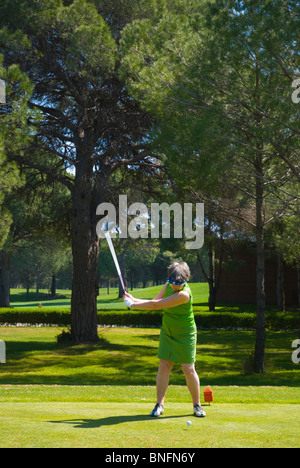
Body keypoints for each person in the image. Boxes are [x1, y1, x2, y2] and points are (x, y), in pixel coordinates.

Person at [123, 261, 206, 418]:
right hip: (168, 331)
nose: (175, 286)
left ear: (186, 280)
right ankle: (159, 404)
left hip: (185, 333)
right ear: (169, 279)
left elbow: (157, 305)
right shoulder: (168, 285)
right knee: (164, 365)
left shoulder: (184, 294)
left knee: (188, 368)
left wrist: (133, 305)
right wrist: (133, 299)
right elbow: (154, 300)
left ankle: (197, 405)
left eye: (179, 283)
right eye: (173, 282)